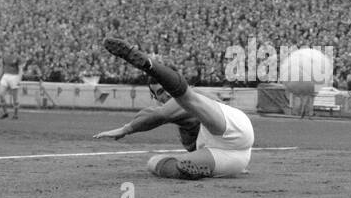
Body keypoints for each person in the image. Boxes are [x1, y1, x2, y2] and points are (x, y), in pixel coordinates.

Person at [95, 36, 253, 179]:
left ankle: (149, 65)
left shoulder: (196, 95)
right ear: (155, 98)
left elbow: (159, 115)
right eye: (161, 93)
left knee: (187, 99)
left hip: (232, 130)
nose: (167, 95)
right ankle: (198, 171)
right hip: (235, 159)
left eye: (167, 89)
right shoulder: (185, 132)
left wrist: (126, 129)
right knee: (158, 164)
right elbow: (157, 114)